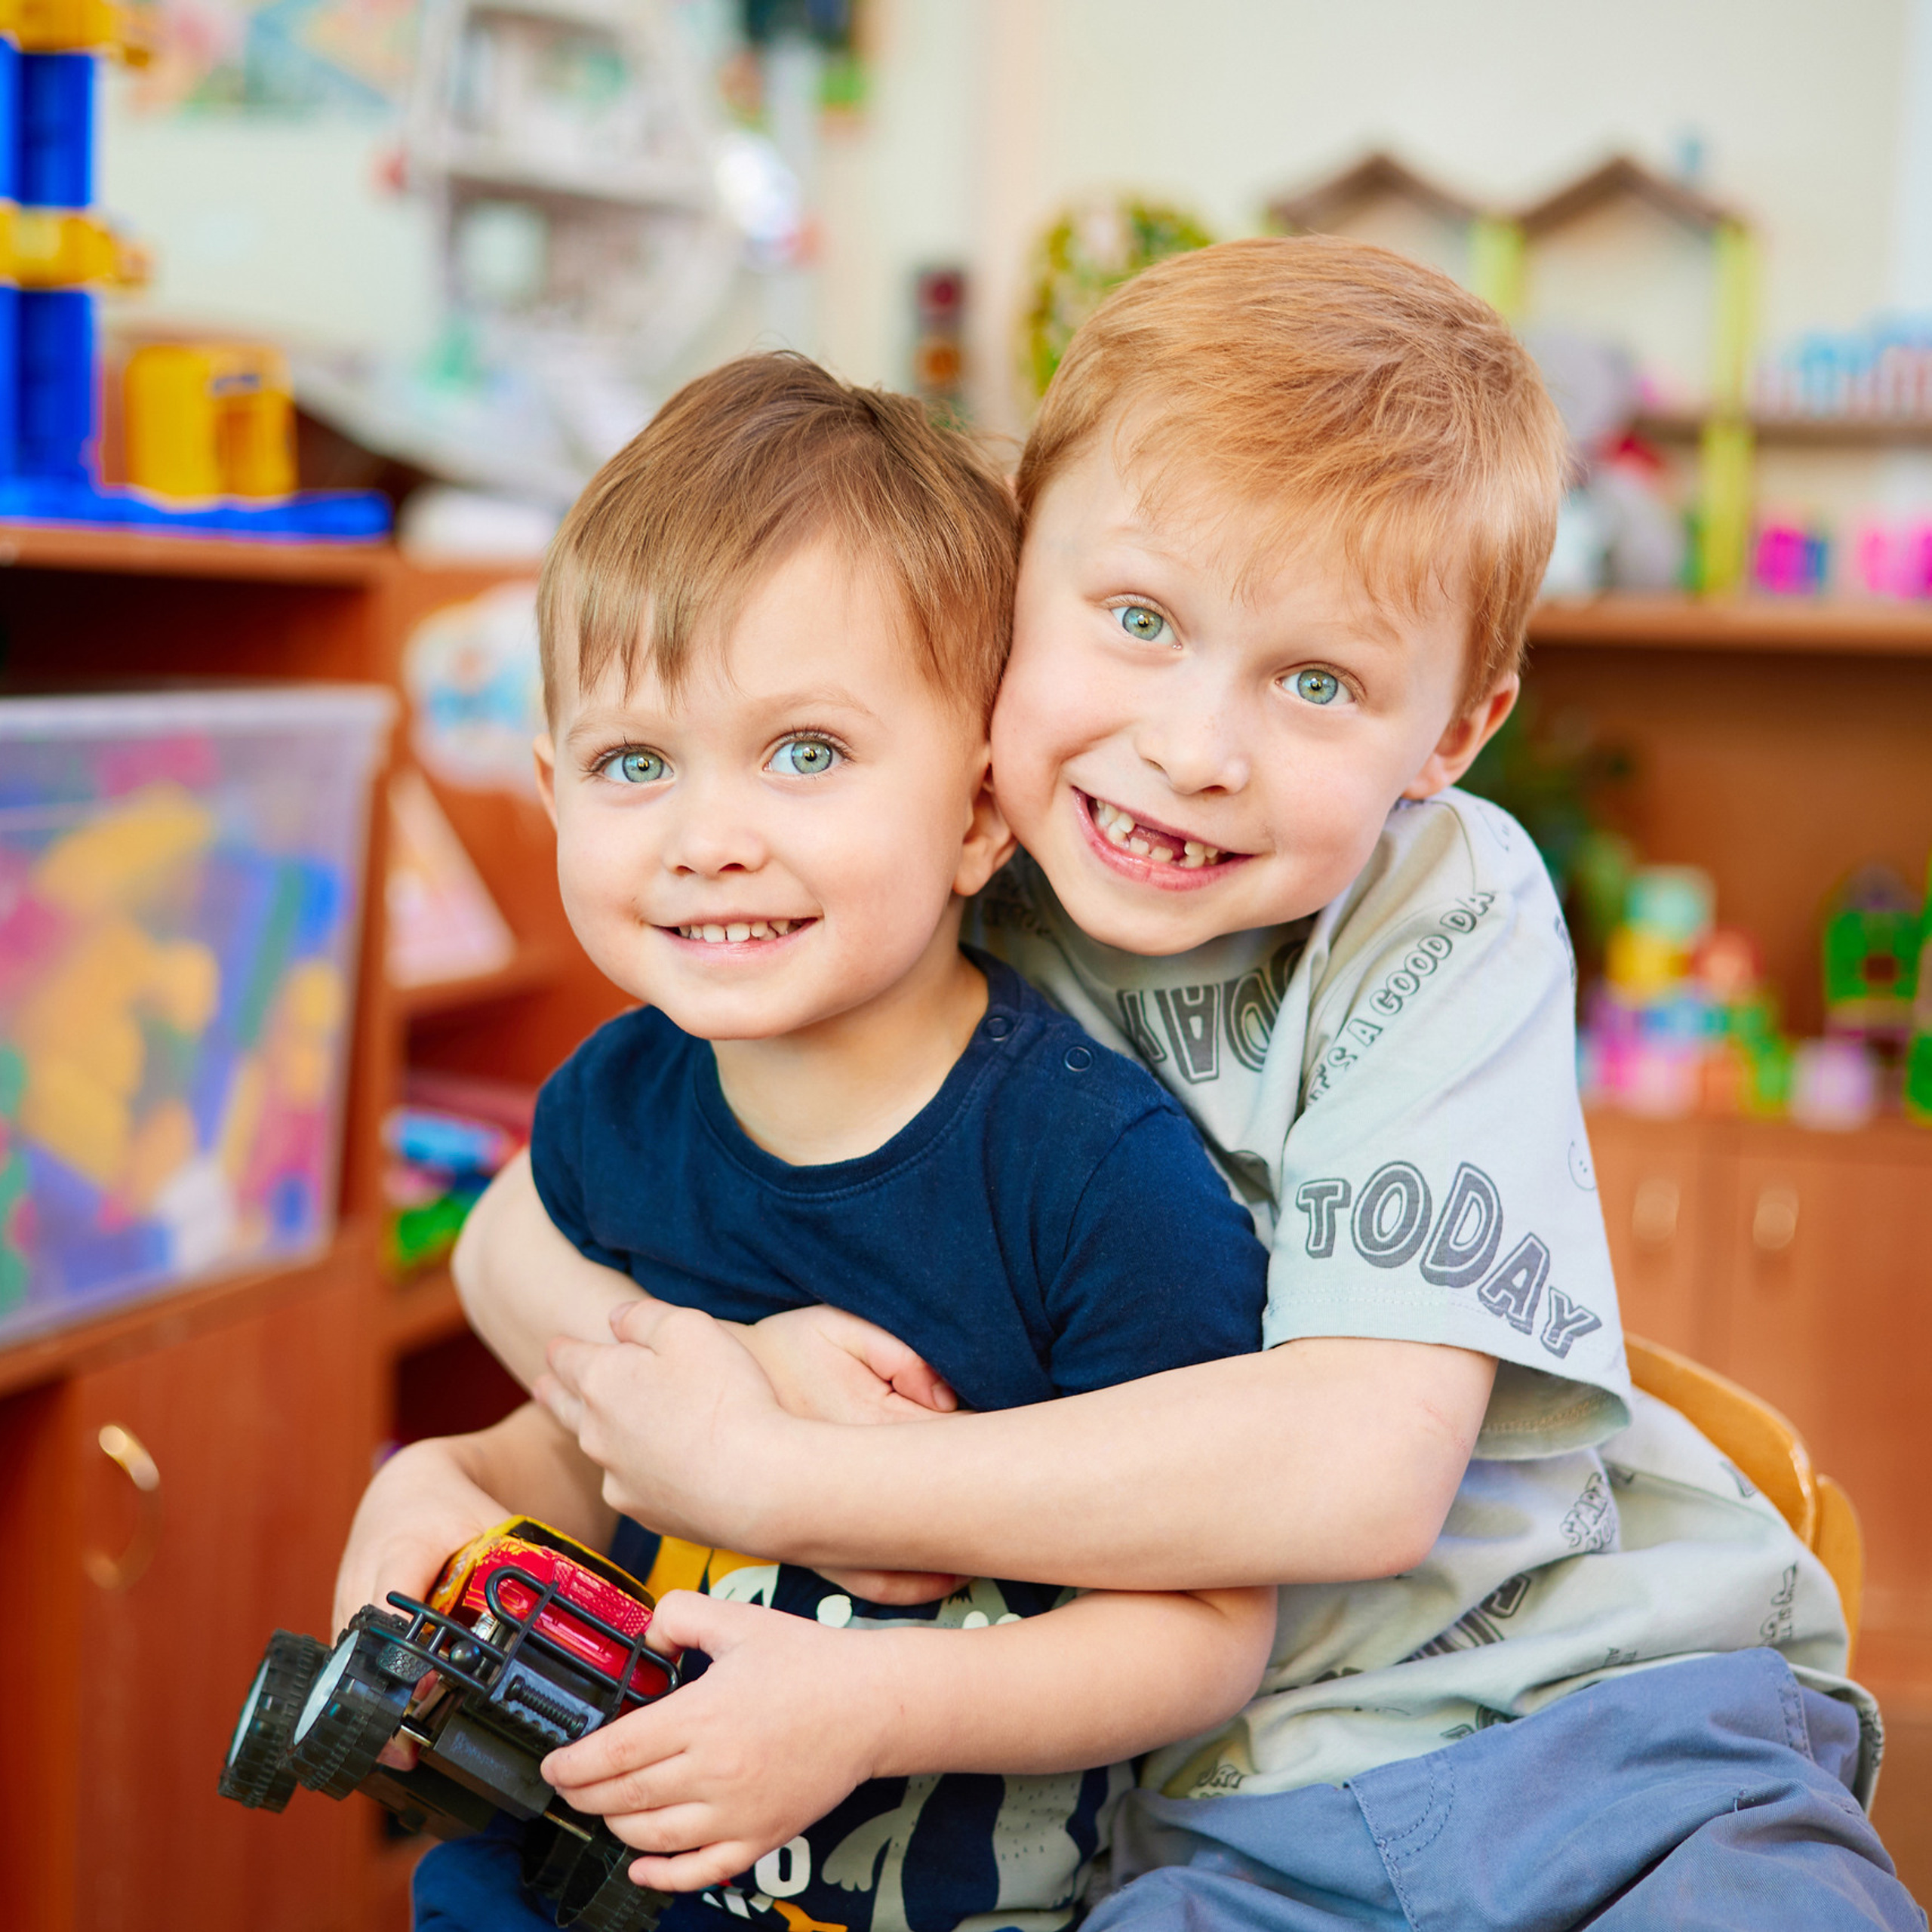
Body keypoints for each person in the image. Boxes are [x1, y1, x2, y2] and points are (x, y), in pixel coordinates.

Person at [451, 239, 1922, 1930]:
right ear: (1010, 592)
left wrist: (779, 1473)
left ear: (1450, 732)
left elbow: (1352, 1473)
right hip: (1188, 1820)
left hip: (1603, 1728)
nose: (1193, 747)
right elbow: (515, 1239)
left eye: (1317, 682)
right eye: (1137, 619)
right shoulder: (906, 873)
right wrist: (706, 1382)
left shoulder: (1432, 903)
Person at [342, 352, 1281, 1932]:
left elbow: (1199, 1618)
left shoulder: (1091, 1172)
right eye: (636, 763)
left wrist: (870, 1701)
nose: (709, 833)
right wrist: (438, 1487)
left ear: (981, 811)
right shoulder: (612, 1106)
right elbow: (586, 1448)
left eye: (805, 752)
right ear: (555, 792)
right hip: (590, 1876)